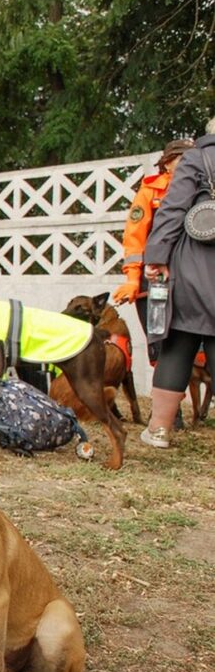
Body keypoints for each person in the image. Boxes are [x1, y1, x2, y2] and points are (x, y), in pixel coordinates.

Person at [140, 117, 215, 448]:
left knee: (178, 342)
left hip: (192, 265)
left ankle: (158, 429)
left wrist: (156, 257)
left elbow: (171, 211)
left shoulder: (197, 157)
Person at [114, 138, 195, 365]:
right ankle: (167, 398)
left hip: (191, 280)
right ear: (167, 163)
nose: (190, 165)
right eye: (184, 159)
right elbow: (135, 236)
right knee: (161, 348)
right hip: (154, 283)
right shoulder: (151, 191)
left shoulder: (204, 188)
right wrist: (132, 279)